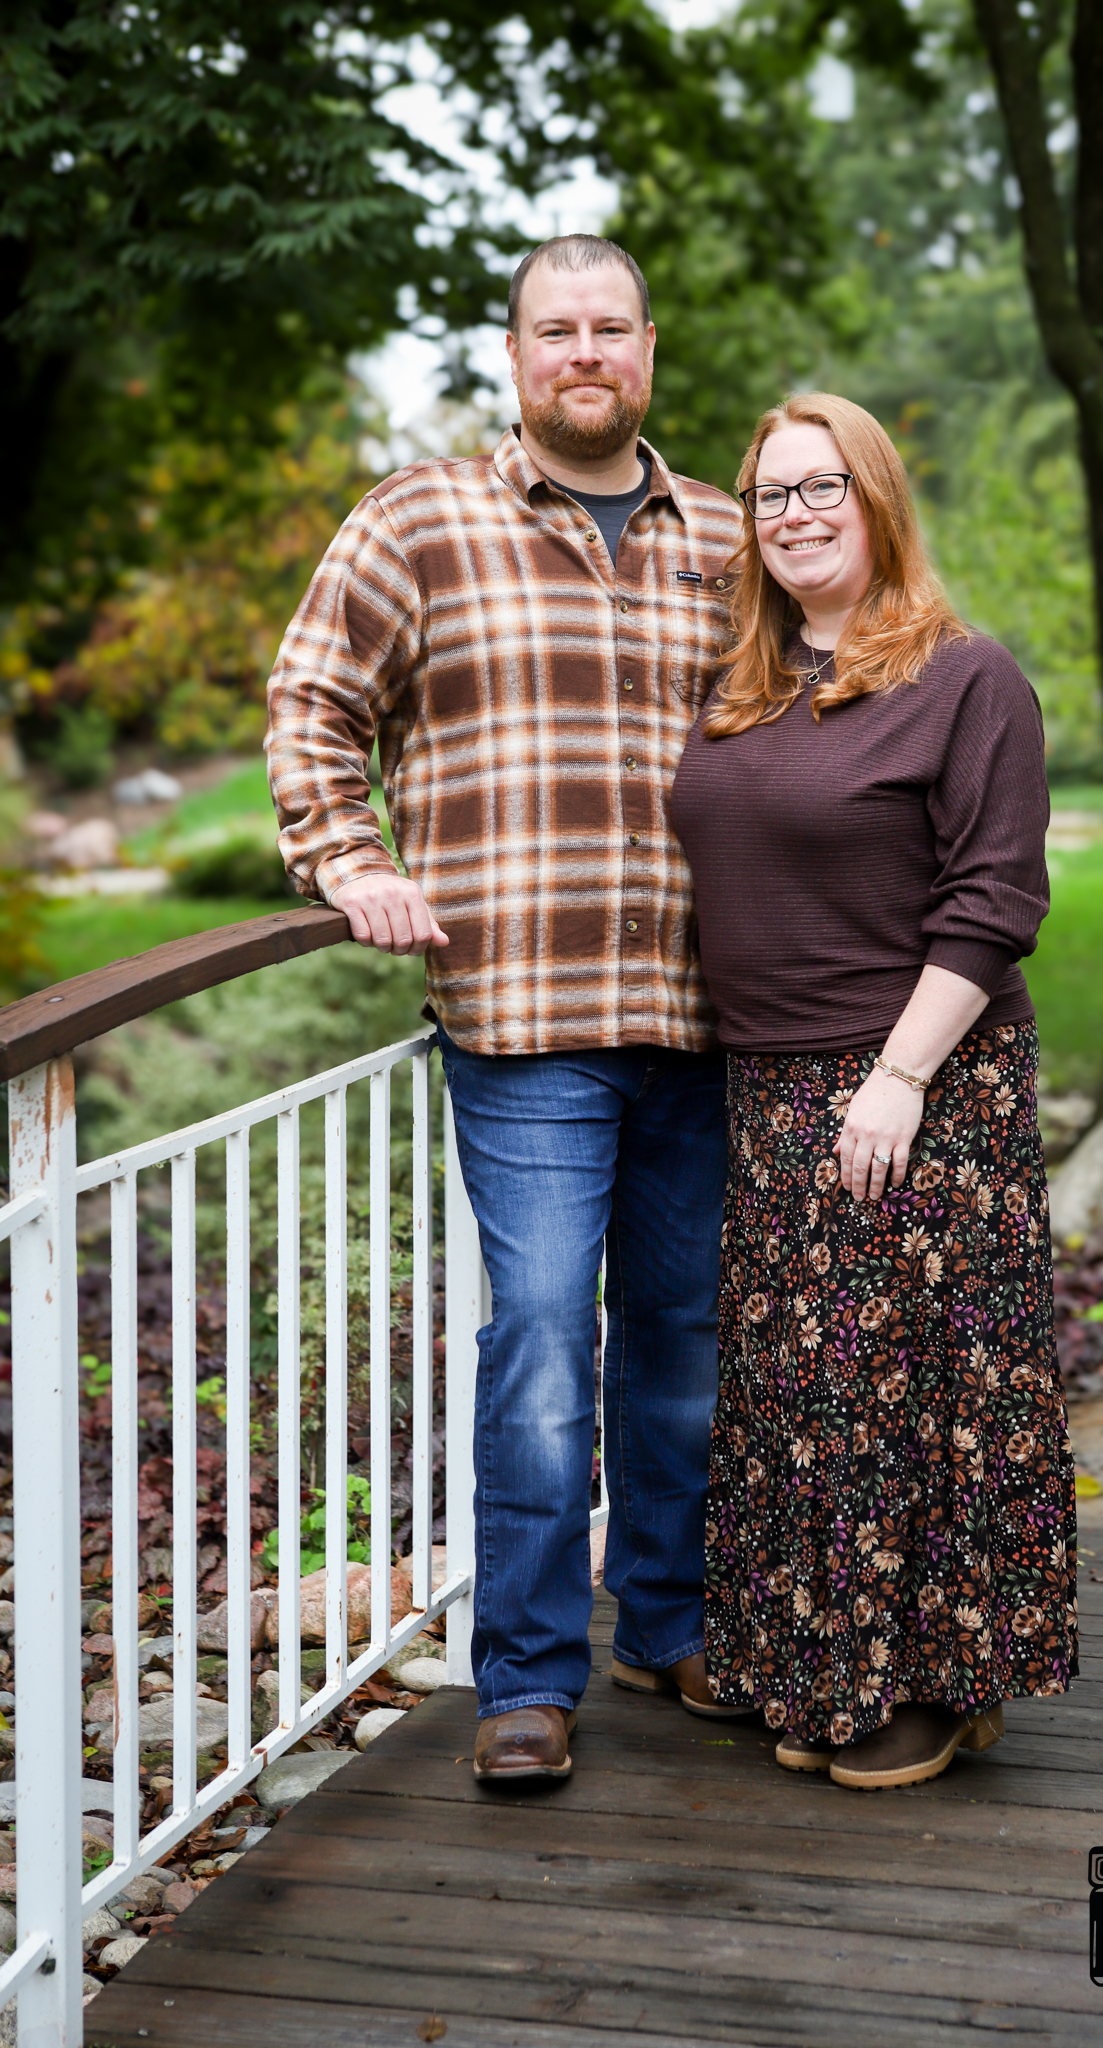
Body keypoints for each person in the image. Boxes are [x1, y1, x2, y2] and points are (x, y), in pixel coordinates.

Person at [266, 234, 747, 1786]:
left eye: (610, 327)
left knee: (683, 1343)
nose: (584, 352)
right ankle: (526, 1679)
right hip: (523, 1015)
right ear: (516, 355)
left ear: (648, 350)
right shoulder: (418, 520)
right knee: (541, 1340)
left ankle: (666, 1624)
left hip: (708, 1014)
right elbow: (313, 701)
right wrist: (350, 859)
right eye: (557, 329)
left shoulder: (731, 537)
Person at [671, 392, 1078, 1790]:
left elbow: (996, 897)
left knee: (916, 1390)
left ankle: (935, 1680)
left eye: (821, 486)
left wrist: (898, 1076)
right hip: (770, 1084)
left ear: (878, 498)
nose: (793, 514)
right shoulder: (745, 685)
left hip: (920, 1081)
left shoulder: (966, 679)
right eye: (769, 493)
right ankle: (819, 1662)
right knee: (802, 1390)